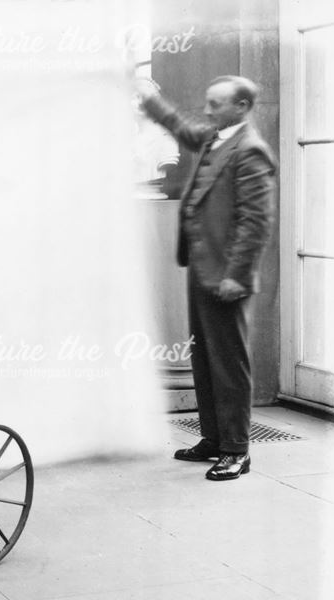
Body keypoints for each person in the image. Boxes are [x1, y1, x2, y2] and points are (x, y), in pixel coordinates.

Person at [136, 75, 276, 481]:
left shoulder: (251, 152)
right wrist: (149, 100)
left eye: (216, 104)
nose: (208, 110)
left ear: (242, 107)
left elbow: (256, 223)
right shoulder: (218, 137)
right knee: (203, 358)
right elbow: (182, 126)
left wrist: (237, 275)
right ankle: (214, 439)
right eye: (209, 103)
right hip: (202, 267)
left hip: (227, 276)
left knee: (229, 363)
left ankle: (237, 450)